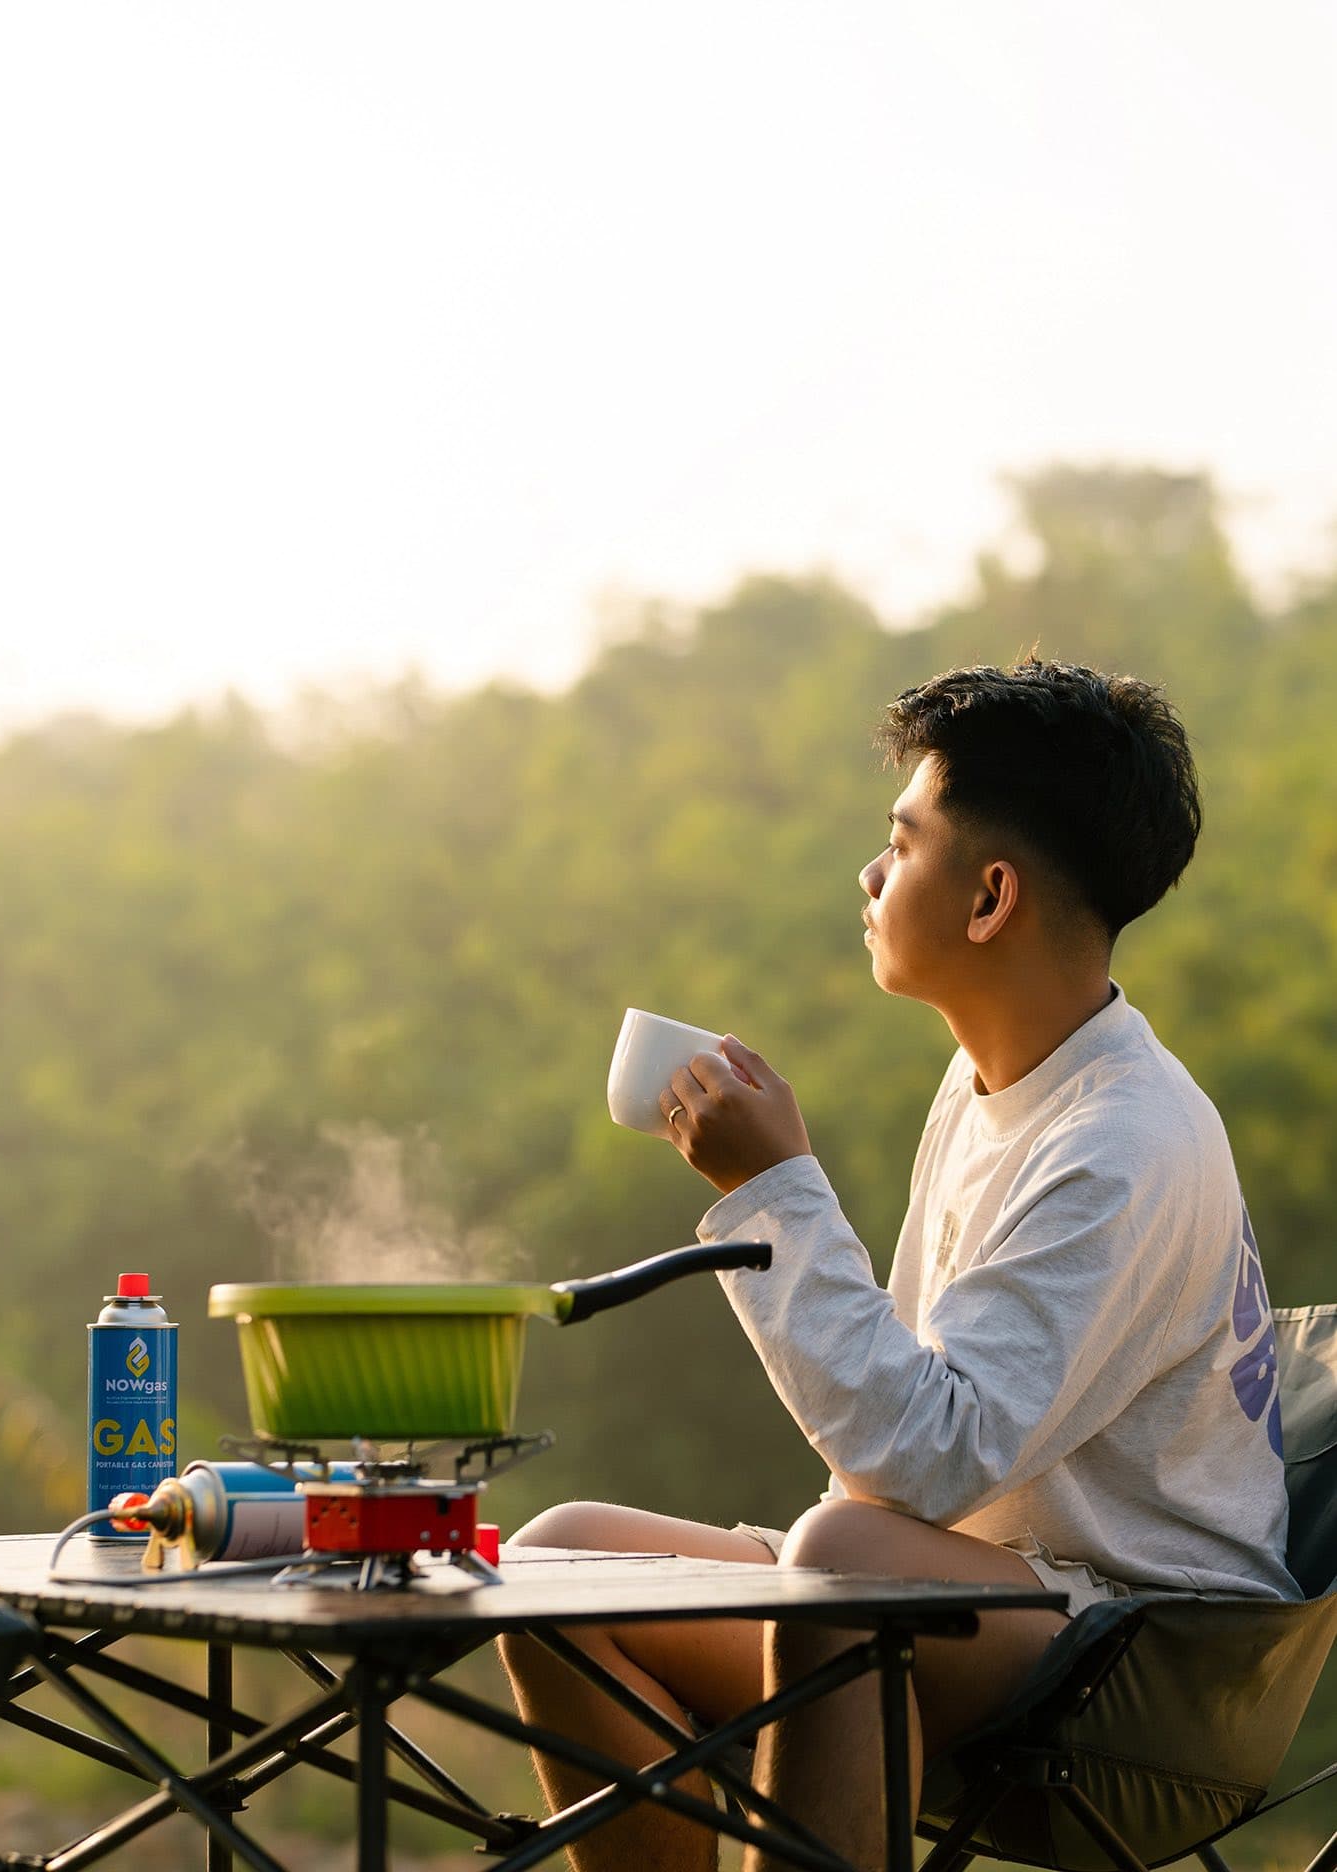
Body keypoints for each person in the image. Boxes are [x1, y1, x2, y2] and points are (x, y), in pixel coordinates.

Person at [499, 657, 1295, 1872]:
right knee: (558, 1561)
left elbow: (925, 1456)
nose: (870, 875)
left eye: (901, 841)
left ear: (989, 897)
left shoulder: (1123, 1141)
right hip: (967, 1591)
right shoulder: (989, 1080)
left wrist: (772, 1190)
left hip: (1151, 1667)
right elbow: (910, 1464)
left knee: (841, 1563)